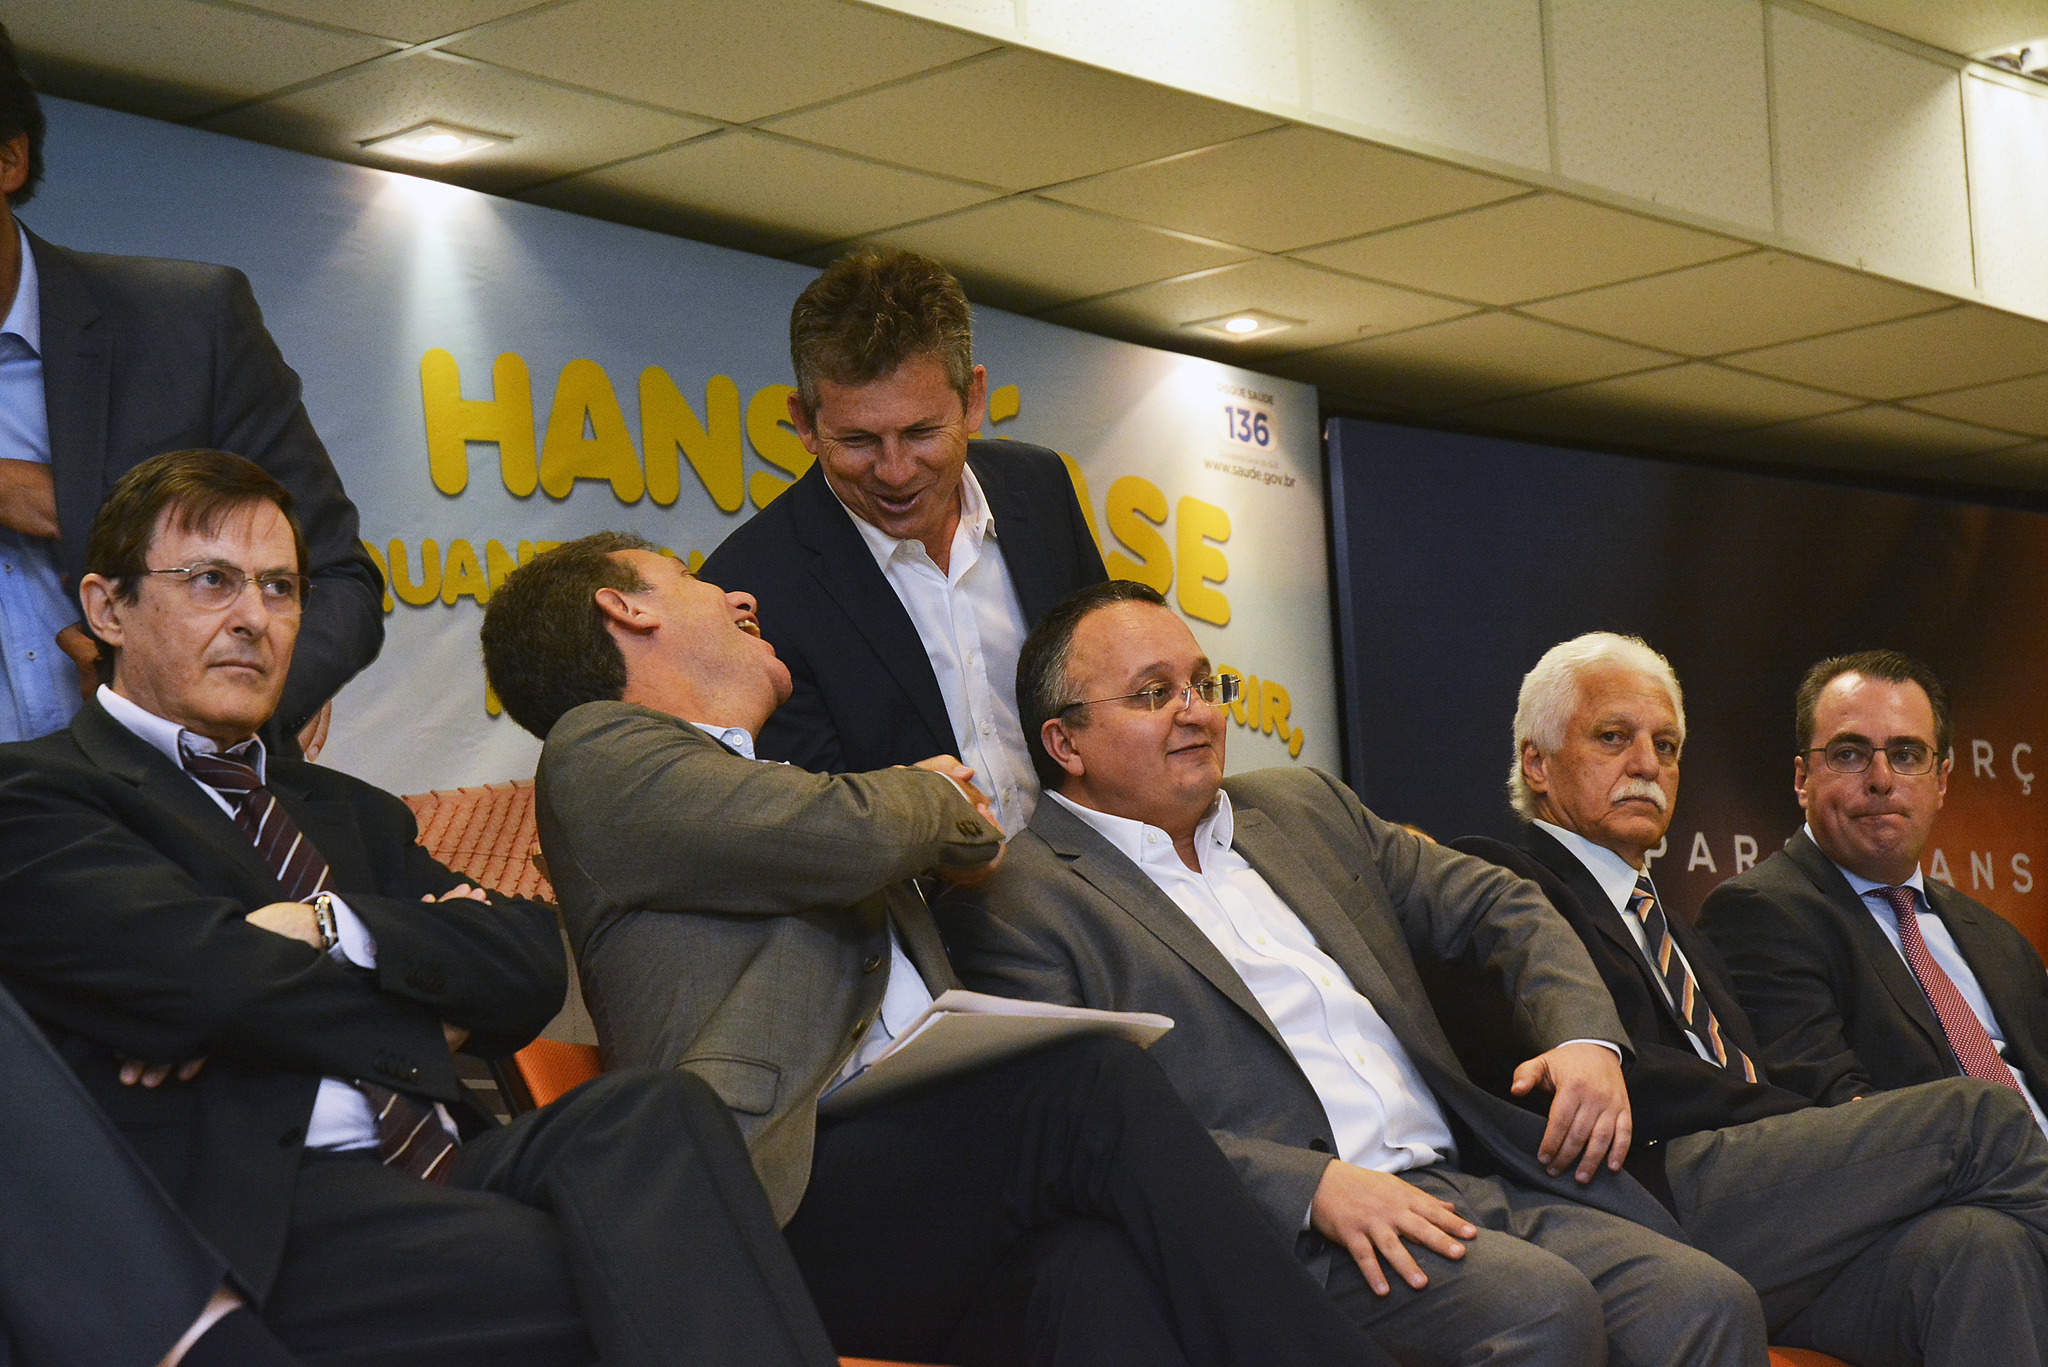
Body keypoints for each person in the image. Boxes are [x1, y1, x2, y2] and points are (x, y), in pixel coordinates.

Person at [0, 450, 839, 1367]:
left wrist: (328, 926)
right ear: (107, 607)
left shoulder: (348, 810)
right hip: (271, 1208)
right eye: (211, 581)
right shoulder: (41, 794)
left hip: (452, 1166)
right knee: (670, 1271)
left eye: (280, 587)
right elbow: (205, 981)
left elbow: (525, 960)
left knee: (656, 1113)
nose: (253, 617)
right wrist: (418, 996)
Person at [481, 531, 1397, 1367]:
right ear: (626, 609)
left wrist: (930, 819)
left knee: (1090, 1273)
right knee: (1092, 1083)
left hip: (909, 1187)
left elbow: (934, 838)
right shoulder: (597, 750)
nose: (739, 598)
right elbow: (861, 831)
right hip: (771, 1194)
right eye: (689, 578)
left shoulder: (770, 788)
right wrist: (931, 798)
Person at [949, 581, 1767, 1367]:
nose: (1196, 710)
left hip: (1463, 1178)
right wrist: (1310, 1188)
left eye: (1203, 682)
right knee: (1543, 1307)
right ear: (1066, 743)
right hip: (1288, 1234)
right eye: (1154, 693)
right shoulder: (1022, 899)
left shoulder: (1303, 806)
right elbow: (1086, 1136)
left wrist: (1585, 1035)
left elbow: (1499, 901)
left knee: (1706, 1300)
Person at [1450, 631, 2048, 1365]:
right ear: (1536, 763)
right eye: (1613, 737)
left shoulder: (1677, 931)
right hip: (1634, 1194)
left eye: (1666, 746)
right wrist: (1786, 1116)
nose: (1646, 764)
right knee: (1981, 1116)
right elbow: (1560, 1075)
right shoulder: (1496, 889)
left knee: (1979, 1248)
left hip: (1759, 1213)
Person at [0, 27, 380, 750]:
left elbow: (335, 580)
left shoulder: (187, 325)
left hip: (175, 808)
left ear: (8, 158)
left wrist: (229, 710)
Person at [699, 246, 1105, 828]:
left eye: (921, 432)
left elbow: (1108, 690)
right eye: (858, 441)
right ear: (804, 422)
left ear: (973, 400)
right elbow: (813, 825)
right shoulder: (750, 585)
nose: (895, 472)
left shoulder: (1040, 491)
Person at [1700, 650, 2048, 1132]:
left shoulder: (1997, 938)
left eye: (1906, 755)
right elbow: (1836, 1116)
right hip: (1948, 1174)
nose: (1882, 780)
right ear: (1802, 780)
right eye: (1849, 754)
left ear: (1941, 781)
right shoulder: (1756, 915)